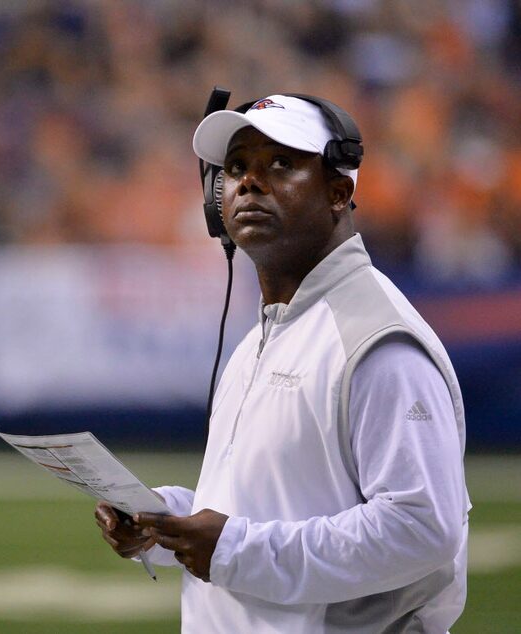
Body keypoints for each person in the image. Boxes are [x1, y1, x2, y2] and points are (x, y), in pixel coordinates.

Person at [94, 94, 469, 633]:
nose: (249, 181)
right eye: (237, 167)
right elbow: (269, 501)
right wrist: (165, 521)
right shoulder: (267, 335)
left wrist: (232, 549)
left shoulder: (373, 339)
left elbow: (421, 528)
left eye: (282, 164)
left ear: (339, 192)